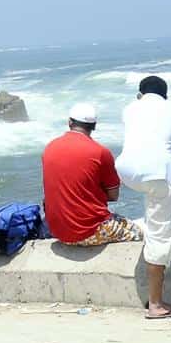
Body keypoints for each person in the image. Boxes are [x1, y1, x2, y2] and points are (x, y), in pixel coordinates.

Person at [115, 75, 171, 320]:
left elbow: (145, 139)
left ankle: (147, 225)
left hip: (126, 170)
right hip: (159, 173)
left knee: (156, 198)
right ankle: (156, 304)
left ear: (140, 95)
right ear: (166, 95)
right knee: (162, 232)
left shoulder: (130, 108)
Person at [42, 102, 142, 248]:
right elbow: (113, 196)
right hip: (87, 232)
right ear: (94, 126)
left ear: (69, 122)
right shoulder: (101, 152)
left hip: (56, 230)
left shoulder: (49, 147)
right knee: (137, 233)